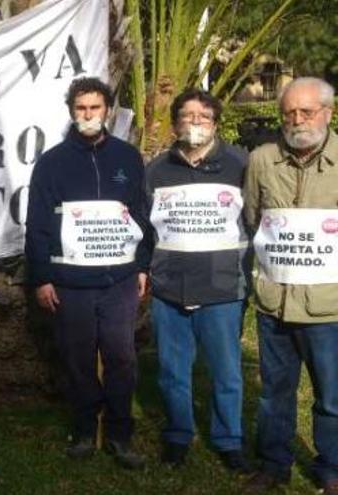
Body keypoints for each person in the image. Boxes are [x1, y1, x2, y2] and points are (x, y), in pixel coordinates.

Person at [25, 77, 151, 469]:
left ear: (108, 110)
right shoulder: (52, 163)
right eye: (81, 109)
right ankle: (83, 429)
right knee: (78, 358)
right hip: (71, 281)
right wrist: (41, 277)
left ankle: (119, 433)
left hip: (119, 280)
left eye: (95, 108)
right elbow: (38, 223)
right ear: (71, 112)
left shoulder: (128, 158)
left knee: (122, 357)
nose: (88, 115)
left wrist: (142, 264)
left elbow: (141, 215)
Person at [145, 89, 252, 471]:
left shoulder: (240, 163)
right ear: (175, 123)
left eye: (203, 116)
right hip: (169, 287)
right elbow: (146, 227)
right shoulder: (156, 170)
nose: (195, 122)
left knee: (226, 372)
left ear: (215, 123)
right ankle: (178, 435)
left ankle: (228, 440)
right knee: (173, 371)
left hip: (222, 286)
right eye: (187, 116)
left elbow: (256, 221)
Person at [243, 77, 338, 494]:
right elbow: (253, 216)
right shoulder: (262, 159)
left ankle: (332, 468)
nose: (297, 121)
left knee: (332, 398)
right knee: (273, 393)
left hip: (328, 307)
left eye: (307, 112)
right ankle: (273, 464)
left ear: (328, 113)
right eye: (289, 113)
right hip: (274, 303)